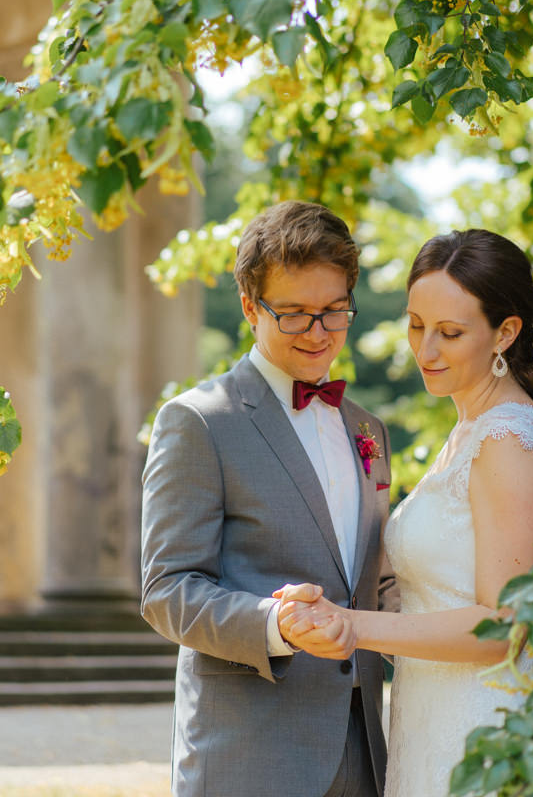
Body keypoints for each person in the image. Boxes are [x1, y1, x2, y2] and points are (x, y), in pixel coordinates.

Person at [276, 228, 533, 797]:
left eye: (450, 332)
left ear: (505, 332)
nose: (425, 350)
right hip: (432, 716)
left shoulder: (507, 439)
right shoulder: (471, 429)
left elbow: (503, 626)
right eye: (416, 325)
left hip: (482, 732)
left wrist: (350, 625)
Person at [140, 200, 399, 797]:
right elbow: (166, 591)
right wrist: (274, 624)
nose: (319, 333)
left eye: (334, 311)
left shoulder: (369, 429)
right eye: (295, 314)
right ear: (250, 307)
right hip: (248, 755)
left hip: (364, 752)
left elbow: (375, 580)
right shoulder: (198, 421)